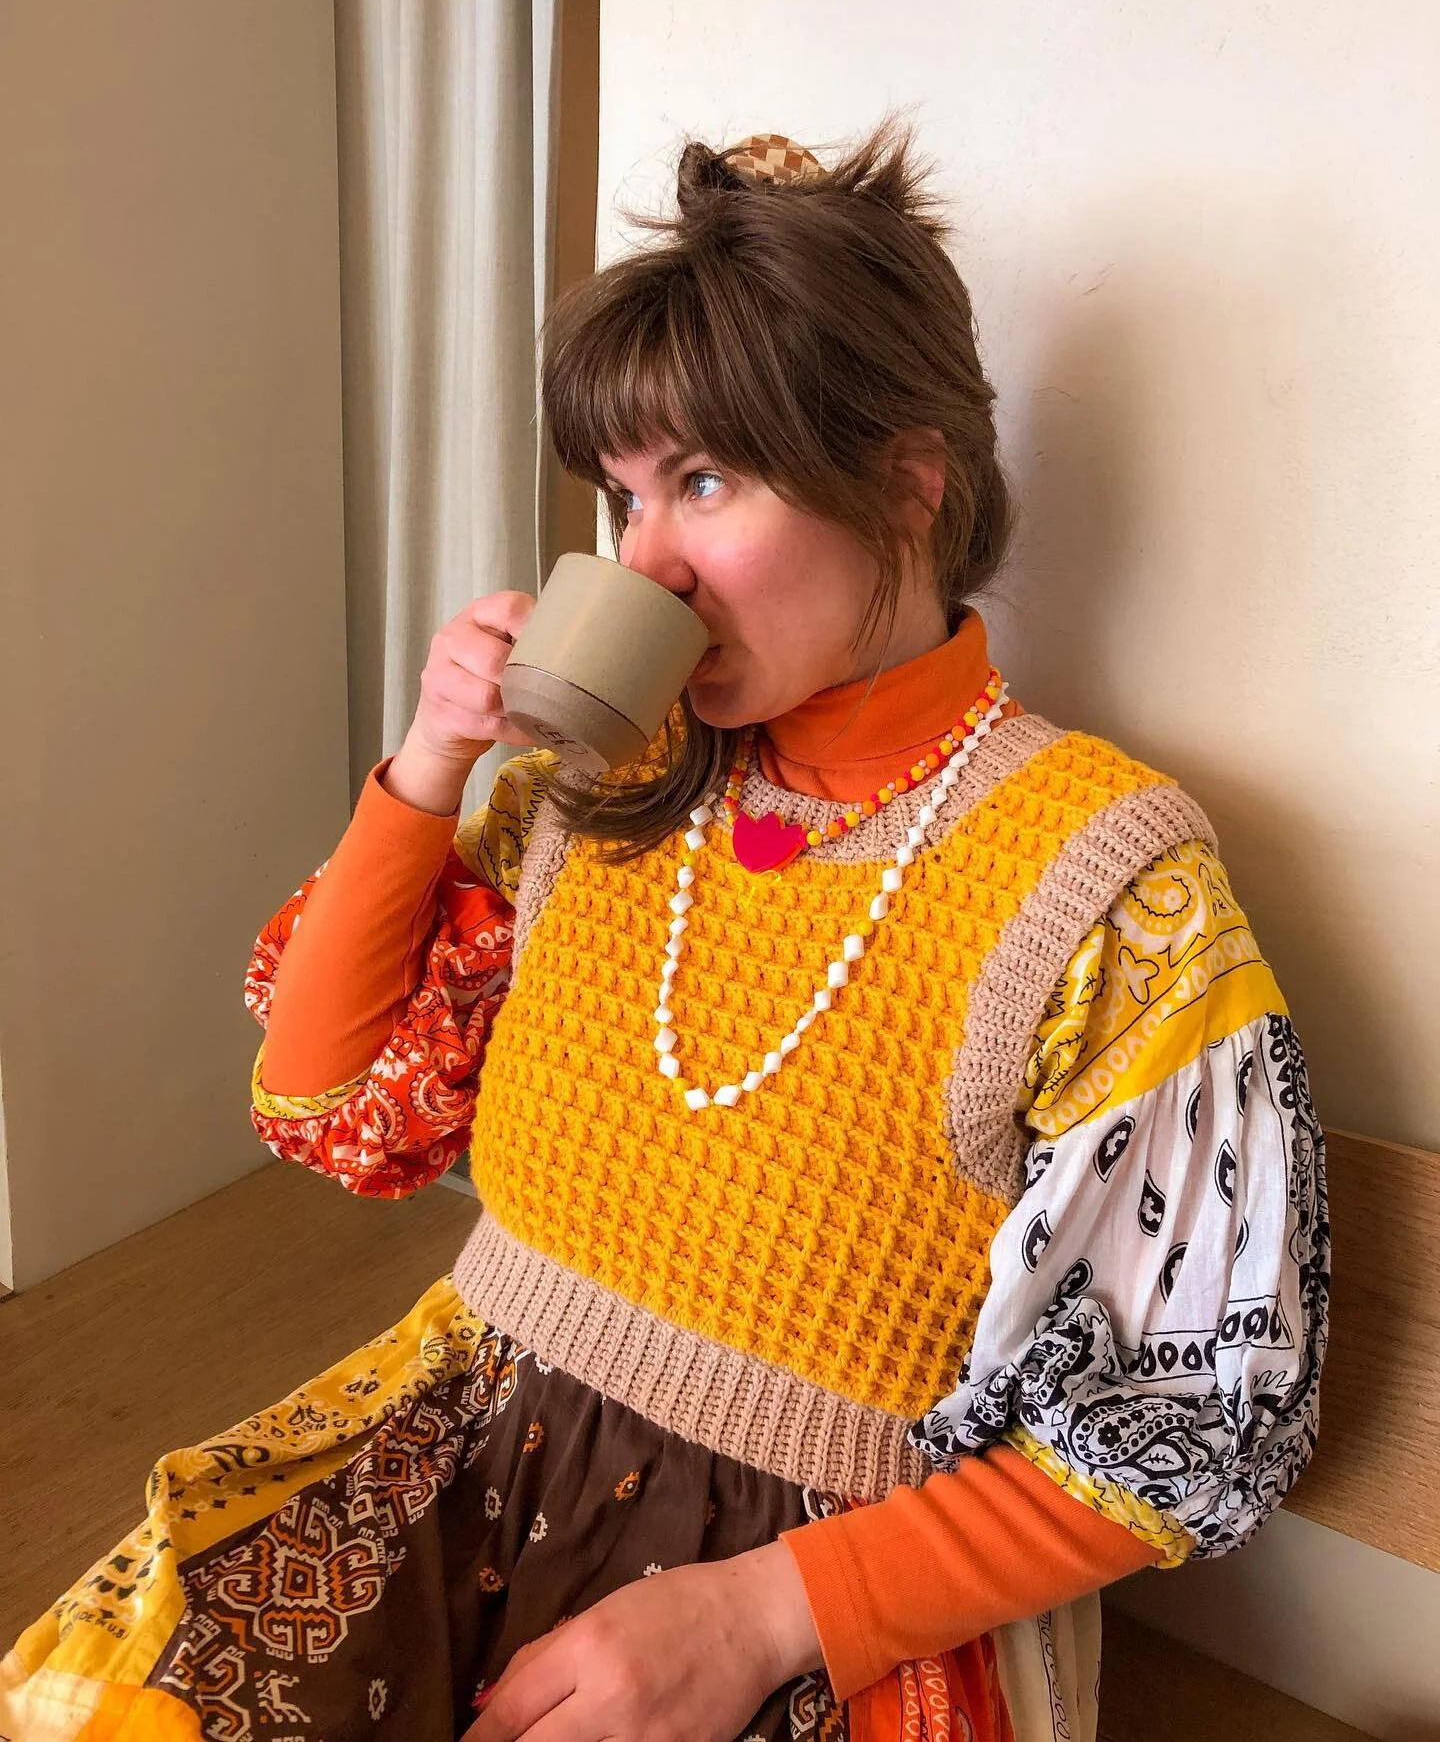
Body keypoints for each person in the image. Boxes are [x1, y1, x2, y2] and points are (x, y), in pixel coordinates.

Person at [1, 126, 1328, 1742]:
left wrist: (761, 1616)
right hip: (458, 1459)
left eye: (702, 482)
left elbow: (1192, 1429)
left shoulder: (1108, 878)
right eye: (623, 498)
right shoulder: (603, 787)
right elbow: (324, 1102)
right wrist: (427, 765)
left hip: (818, 1587)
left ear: (907, 483)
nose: (644, 564)